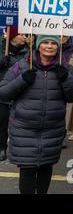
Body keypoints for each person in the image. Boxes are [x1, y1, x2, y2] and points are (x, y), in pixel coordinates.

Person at [0, 35, 73, 194]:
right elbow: (3, 93)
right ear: (38, 45)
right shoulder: (22, 66)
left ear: (58, 47)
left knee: (46, 166)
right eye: (45, 42)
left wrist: (65, 79)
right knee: (28, 169)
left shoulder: (64, 68)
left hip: (52, 129)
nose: (49, 46)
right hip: (24, 129)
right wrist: (22, 80)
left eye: (53, 43)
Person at [0, 27, 28, 161]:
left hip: (20, 93)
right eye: (21, 34)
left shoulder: (27, 53)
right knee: (2, 122)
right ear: (13, 37)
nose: (24, 37)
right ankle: (1, 148)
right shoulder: (2, 50)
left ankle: (17, 149)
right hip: (3, 94)